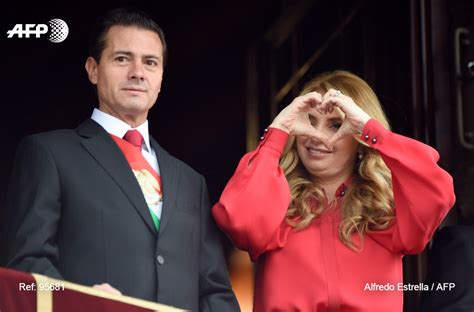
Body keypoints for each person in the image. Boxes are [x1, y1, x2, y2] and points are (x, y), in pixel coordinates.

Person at [3, 8, 239, 311]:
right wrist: (78, 301)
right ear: (92, 69)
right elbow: (26, 268)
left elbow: (215, 291)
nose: (138, 72)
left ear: (161, 78)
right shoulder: (48, 153)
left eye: (150, 62)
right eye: (122, 58)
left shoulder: (191, 182)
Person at [212, 70, 455, 311]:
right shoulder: (275, 201)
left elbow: (437, 192)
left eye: (336, 124)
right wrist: (278, 131)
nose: (317, 136)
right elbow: (239, 222)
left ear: (359, 140)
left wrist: (373, 131)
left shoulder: (386, 209)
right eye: (309, 121)